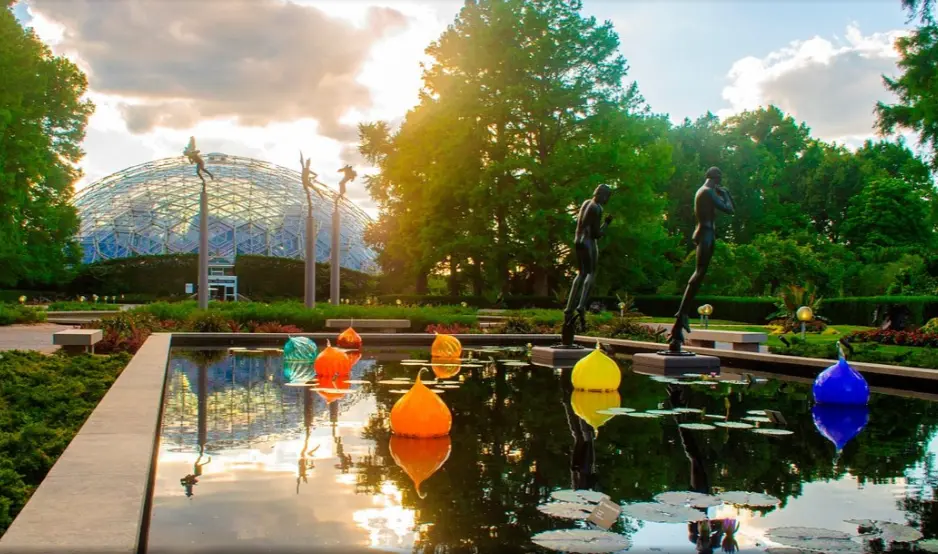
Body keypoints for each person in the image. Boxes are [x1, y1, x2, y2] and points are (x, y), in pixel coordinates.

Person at [669, 167, 735, 351]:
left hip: (704, 232)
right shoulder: (706, 192)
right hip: (705, 234)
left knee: (700, 273)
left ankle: (681, 316)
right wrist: (726, 194)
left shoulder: (702, 191)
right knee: (699, 273)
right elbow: (729, 209)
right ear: (716, 178)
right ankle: (682, 314)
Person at [563, 184, 613, 338]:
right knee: (591, 273)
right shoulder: (597, 208)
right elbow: (597, 234)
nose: (607, 200)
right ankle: (581, 305)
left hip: (578, 241)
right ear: (603, 195)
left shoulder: (586, 203)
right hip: (589, 242)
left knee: (580, 273)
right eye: (607, 197)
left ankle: (569, 308)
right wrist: (607, 223)